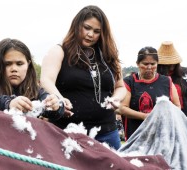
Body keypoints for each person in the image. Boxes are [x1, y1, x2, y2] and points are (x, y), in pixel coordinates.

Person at [40, 5, 126, 150]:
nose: (91, 34)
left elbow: (120, 87)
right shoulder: (59, 51)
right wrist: (59, 98)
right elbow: (46, 80)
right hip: (68, 133)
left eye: (96, 31)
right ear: (77, 25)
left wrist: (116, 98)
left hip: (107, 132)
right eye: (87, 28)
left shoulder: (109, 56)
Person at [0, 38, 64, 121]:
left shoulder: (36, 90)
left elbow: (56, 112)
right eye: (7, 64)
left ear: (28, 64)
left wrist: (55, 106)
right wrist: (8, 103)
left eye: (19, 64)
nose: (14, 69)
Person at [115, 46, 181, 140]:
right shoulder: (129, 82)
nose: (149, 67)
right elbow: (122, 108)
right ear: (137, 64)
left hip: (163, 134)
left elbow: (177, 106)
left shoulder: (167, 81)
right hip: (136, 135)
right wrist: (145, 116)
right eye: (145, 64)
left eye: (153, 64)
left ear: (157, 63)